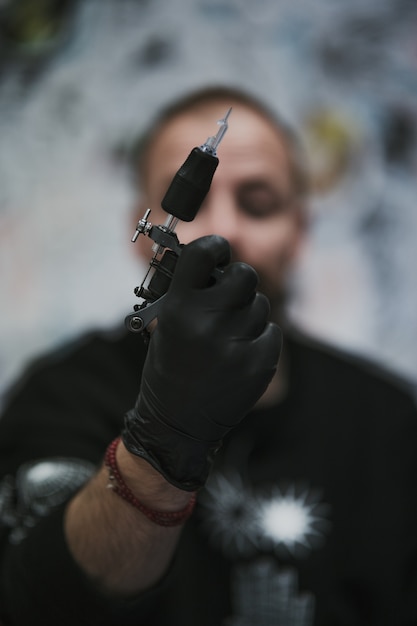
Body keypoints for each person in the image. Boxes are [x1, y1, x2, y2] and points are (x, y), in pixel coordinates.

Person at [0, 85, 417, 626]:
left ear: (300, 230)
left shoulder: (389, 424)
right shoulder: (64, 396)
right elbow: (39, 599)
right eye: (191, 202)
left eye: (259, 202)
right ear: (142, 231)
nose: (227, 232)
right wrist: (163, 438)